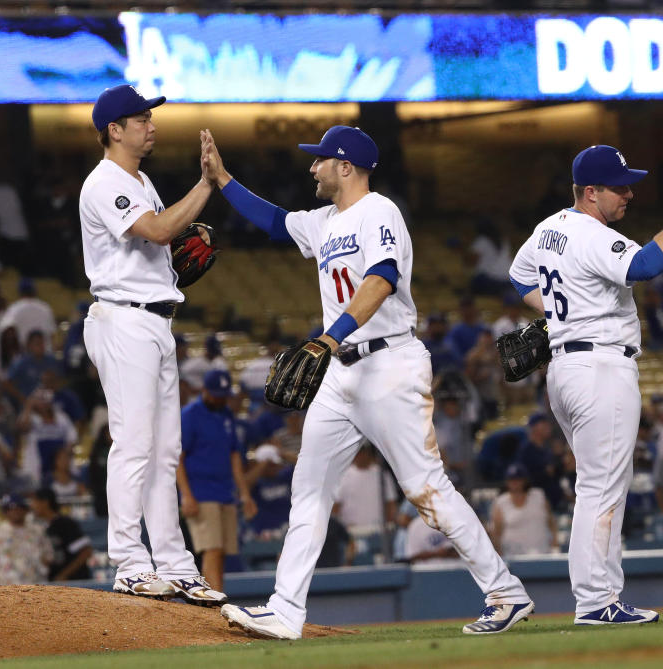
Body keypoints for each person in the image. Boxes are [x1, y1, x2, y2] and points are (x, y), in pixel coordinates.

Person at [202, 125, 532, 639]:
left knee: (427, 489)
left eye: (320, 161)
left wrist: (328, 338)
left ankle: (505, 592)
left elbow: (381, 279)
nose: (312, 168)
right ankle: (286, 609)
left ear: (345, 167)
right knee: (308, 487)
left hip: (389, 364)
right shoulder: (324, 221)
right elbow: (272, 221)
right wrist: (222, 180)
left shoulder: (380, 212)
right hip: (339, 373)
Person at [508, 144, 663, 625]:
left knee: (602, 484)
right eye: (619, 186)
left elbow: (519, 275)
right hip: (600, 369)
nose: (628, 193)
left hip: (567, 370)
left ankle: (601, 595)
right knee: (602, 488)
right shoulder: (590, 234)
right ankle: (595, 600)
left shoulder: (550, 229)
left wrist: (559, 318)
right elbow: (647, 266)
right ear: (591, 192)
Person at [78, 84, 226, 605]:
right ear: (113, 130)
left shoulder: (140, 179)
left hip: (155, 321)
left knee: (165, 452)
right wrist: (206, 185)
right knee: (135, 444)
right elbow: (160, 231)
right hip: (123, 322)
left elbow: (161, 244)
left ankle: (174, 562)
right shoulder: (105, 182)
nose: (150, 124)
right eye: (139, 118)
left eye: (149, 117)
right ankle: (128, 561)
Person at [177, 370, 257, 592]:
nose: (221, 399)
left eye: (224, 395)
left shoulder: (226, 415)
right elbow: (178, 458)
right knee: (211, 548)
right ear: (205, 391)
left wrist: (244, 493)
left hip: (224, 492)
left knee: (222, 551)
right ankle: (213, 603)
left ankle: (214, 595)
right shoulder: (190, 415)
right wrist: (186, 495)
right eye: (217, 394)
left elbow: (234, 457)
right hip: (200, 491)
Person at [0, 494, 53, 586]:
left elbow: (48, 558)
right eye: (10, 508)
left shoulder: (38, 531)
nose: (15, 511)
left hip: (34, 587)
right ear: (4, 512)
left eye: (19, 507)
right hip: (4, 589)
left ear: (26, 510)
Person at [490, 463, 558, 558]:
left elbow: (551, 522)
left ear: (525, 480)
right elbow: (496, 533)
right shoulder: (501, 502)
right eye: (511, 479)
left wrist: (555, 544)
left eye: (518, 479)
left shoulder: (539, 496)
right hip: (513, 558)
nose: (515, 482)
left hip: (543, 553)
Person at [30, 487, 93, 582]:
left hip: (76, 583)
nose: (32, 506)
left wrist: (63, 575)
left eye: (35, 502)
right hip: (55, 584)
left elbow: (86, 552)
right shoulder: (39, 527)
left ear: (45, 502)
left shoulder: (65, 523)